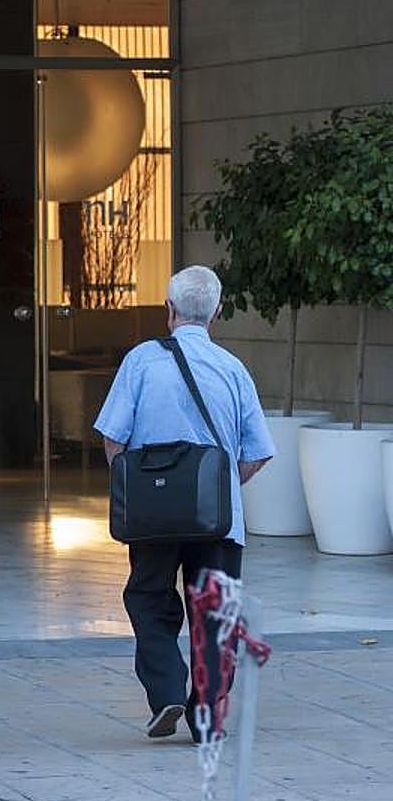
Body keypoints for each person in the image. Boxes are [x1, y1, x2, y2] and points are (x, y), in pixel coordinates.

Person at [94, 265, 275, 741]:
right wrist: (219, 491)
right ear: (217, 311)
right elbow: (258, 451)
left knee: (149, 598)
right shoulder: (234, 368)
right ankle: (205, 715)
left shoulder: (140, 361)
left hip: (152, 515)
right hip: (218, 520)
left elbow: (113, 440)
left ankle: (168, 690)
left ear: (168, 309)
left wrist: (135, 488)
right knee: (215, 611)